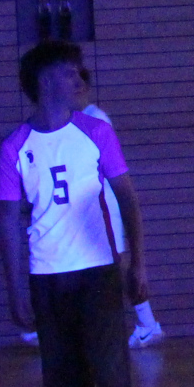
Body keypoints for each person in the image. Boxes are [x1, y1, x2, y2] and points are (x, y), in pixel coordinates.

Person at [0, 42, 147, 387]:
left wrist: (137, 263)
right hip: (47, 280)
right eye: (70, 73)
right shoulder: (15, 147)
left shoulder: (96, 132)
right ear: (45, 82)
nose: (80, 80)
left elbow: (127, 198)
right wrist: (16, 288)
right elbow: (8, 222)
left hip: (97, 274)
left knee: (111, 379)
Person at [80, 86, 165, 348]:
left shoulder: (95, 119)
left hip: (105, 205)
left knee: (117, 269)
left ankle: (146, 323)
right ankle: (146, 323)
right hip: (94, 208)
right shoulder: (81, 118)